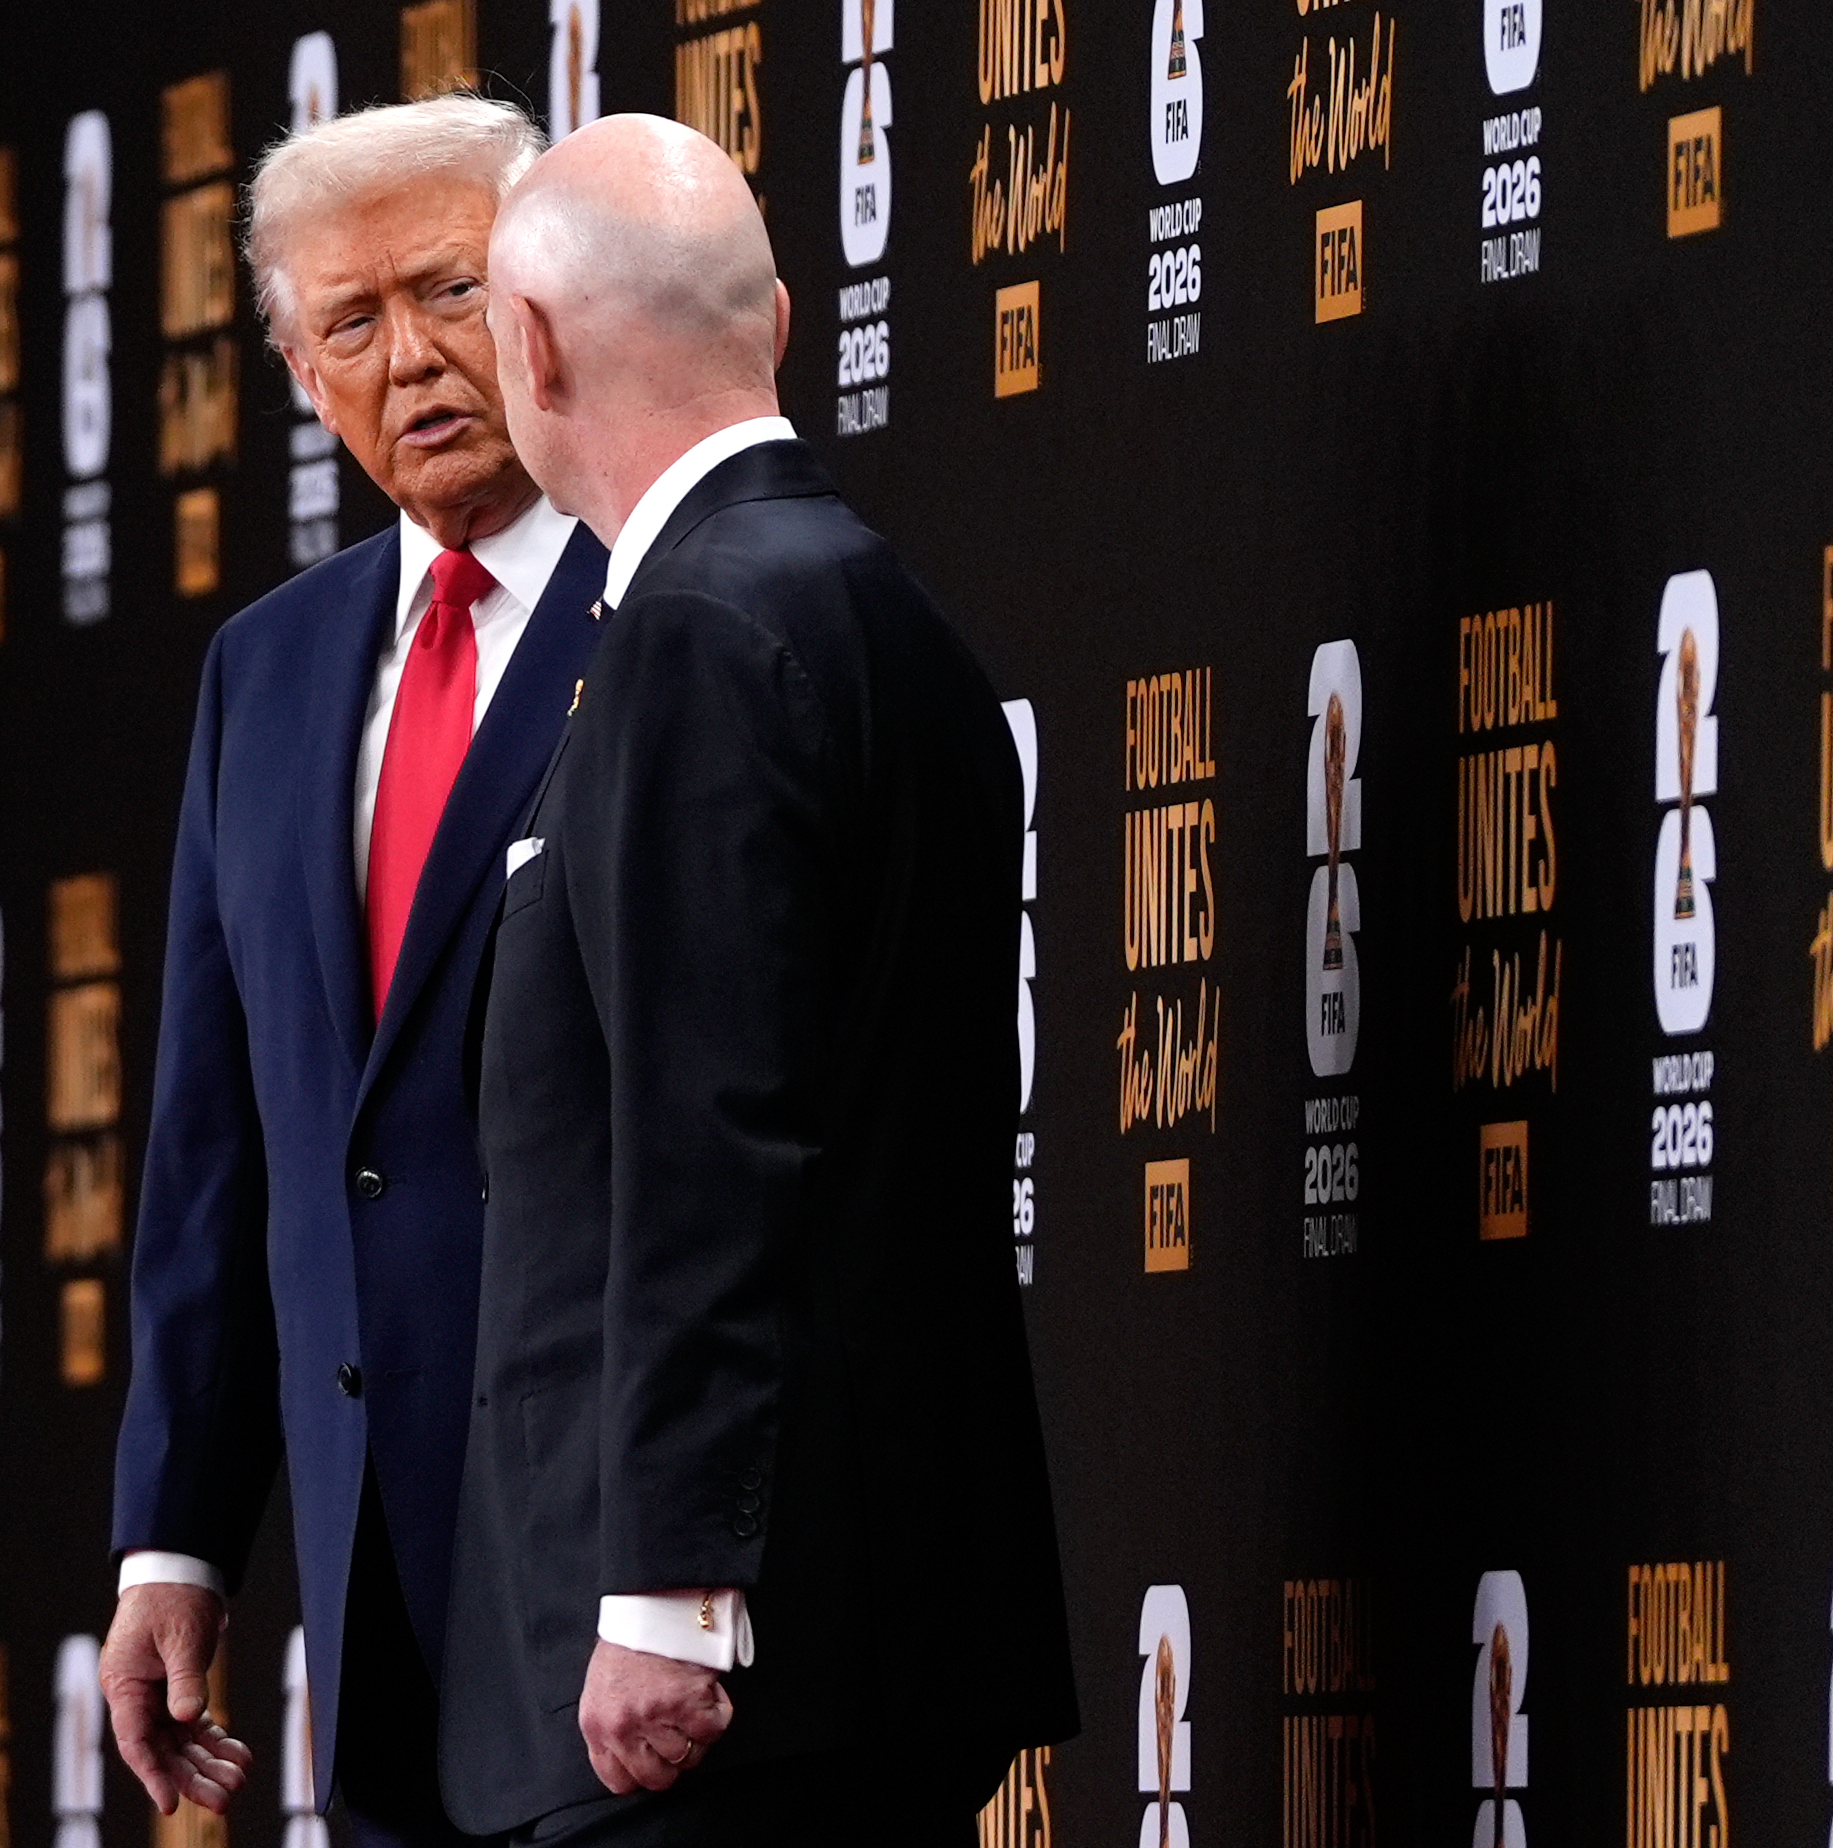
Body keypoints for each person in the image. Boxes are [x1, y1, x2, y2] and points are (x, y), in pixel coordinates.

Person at [438, 115, 1078, 1845]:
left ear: (537, 345)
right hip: (870, 1632)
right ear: (779, 321)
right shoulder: (887, 617)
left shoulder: (699, 632)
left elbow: (712, 1139)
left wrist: (662, 1596)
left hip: (715, 1698)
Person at [101, 94, 607, 1848]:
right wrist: (174, 1535)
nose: (409, 360)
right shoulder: (269, 669)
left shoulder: (685, 603)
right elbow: (217, 1136)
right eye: (348, 324)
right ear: (301, 379)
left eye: (449, 293)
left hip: (628, 1550)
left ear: (549, 302)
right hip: (365, 1553)